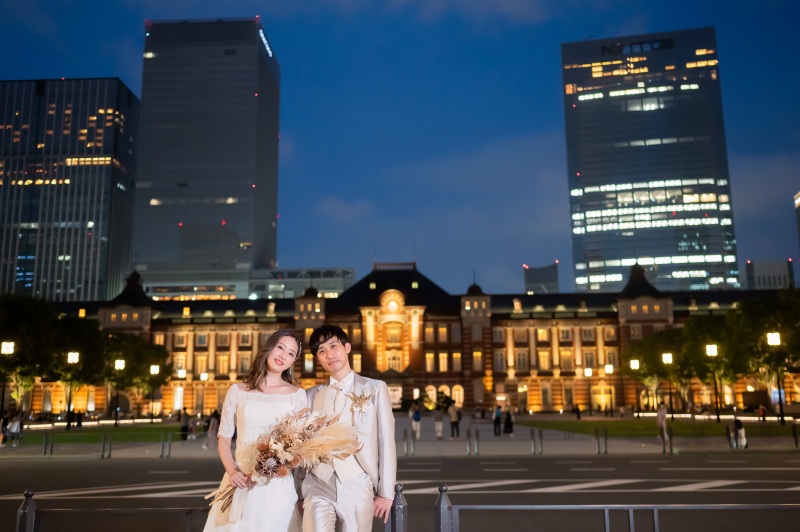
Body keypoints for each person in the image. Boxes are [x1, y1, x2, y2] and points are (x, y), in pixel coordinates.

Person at [204, 329, 306, 531]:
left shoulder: (297, 395)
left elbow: (299, 446)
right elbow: (224, 439)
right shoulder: (238, 391)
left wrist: (276, 463)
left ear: (293, 361)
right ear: (269, 347)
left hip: (276, 484)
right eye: (280, 348)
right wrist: (232, 472)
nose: (283, 356)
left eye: (291, 353)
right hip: (240, 479)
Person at [300, 325, 397, 531]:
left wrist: (386, 492)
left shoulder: (375, 388)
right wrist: (300, 491)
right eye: (322, 351)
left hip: (357, 482)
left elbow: (386, 441)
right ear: (318, 359)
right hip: (318, 481)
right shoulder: (310, 395)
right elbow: (301, 444)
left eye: (333, 346)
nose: (329, 355)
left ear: (347, 348)